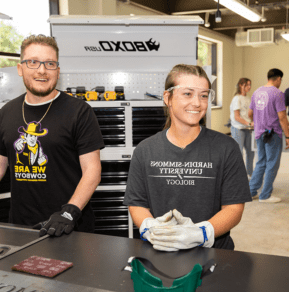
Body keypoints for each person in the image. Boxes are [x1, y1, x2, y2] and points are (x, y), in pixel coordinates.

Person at [123, 64, 252, 251]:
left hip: (215, 254)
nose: (197, 103)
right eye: (187, 94)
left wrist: (202, 233)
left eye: (204, 95)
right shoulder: (145, 150)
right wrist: (150, 228)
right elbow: (136, 203)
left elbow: (234, 208)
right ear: (168, 98)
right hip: (160, 251)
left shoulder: (226, 148)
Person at [0, 34, 105, 237]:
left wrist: (69, 212)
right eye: (33, 62)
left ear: (57, 71)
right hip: (20, 228)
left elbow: (92, 170)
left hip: (70, 228)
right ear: (20, 68)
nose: (42, 70)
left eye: (49, 63)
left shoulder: (79, 111)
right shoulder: (7, 112)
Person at [248, 68, 289, 203]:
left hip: (259, 133)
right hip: (273, 134)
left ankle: (251, 191)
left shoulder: (257, 92)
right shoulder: (278, 94)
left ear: (267, 78)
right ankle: (265, 195)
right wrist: (288, 136)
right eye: (280, 80)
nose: (280, 82)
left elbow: (250, 113)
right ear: (278, 79)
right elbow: (282, 117)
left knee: (261, 162)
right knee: (272, 163)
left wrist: (258, 122)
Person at [230, 78, 254, 180]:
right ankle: (238, 176)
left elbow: (249, 114)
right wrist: (249, 122)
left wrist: (253, 122)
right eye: (247, 85)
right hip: (238, 128)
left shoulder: (248, 98)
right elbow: (237, 117)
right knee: (238, 153)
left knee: (251, 152)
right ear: (241, 85)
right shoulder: (237, 98)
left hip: (248, 128)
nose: (249, 87)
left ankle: (250, 174)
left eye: (250, 85)